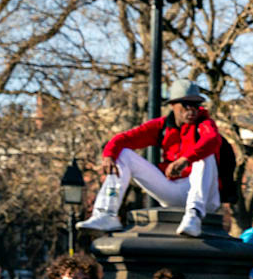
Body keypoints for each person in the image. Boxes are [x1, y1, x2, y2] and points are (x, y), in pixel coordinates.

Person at [77, 81, 223, 238]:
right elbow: (124, 139)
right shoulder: (162, 127)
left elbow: (213, 139)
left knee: (205, 155)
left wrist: (185, 159)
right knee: (123, 154)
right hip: (174, 192)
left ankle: (194, 216)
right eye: (186, 104)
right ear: (173, 105)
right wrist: (109, 154)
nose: (192, 110)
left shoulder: (204, 123)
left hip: (205, 197)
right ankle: (106, 214)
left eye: (196, 104)